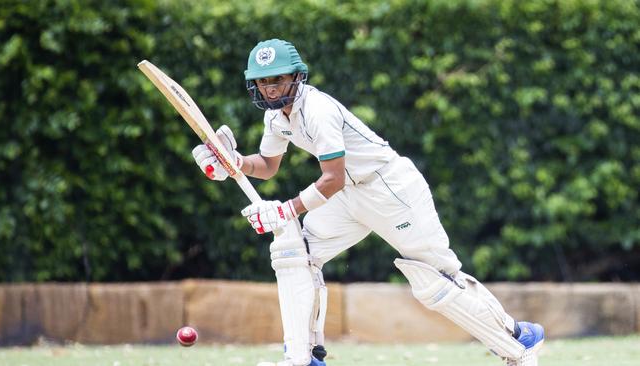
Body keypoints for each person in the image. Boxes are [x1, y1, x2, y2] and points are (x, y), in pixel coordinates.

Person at [192, 39, 545, 366]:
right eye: (263, 81)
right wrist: (235, 163)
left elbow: (333, 178)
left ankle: (518, 340)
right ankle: (303, 357)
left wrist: (287, 209)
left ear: (297, 77)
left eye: (278, 79)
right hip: (350, 196)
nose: (270, 88)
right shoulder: (275, 116)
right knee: (293, 251)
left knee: (435, 281)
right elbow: (268, 166)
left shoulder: (317, 109)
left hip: (390, 188)